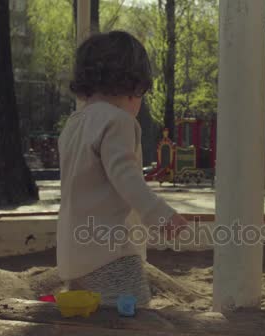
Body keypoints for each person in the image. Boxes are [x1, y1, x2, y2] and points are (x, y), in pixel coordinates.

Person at [57, 31, 188, 306]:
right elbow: (126, 177)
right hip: (110, 253)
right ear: (134, 86)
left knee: (93, 317)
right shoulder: (118, 122)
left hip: (73, 253)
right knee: (134, 311)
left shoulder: (74, 123)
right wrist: (160, 214)